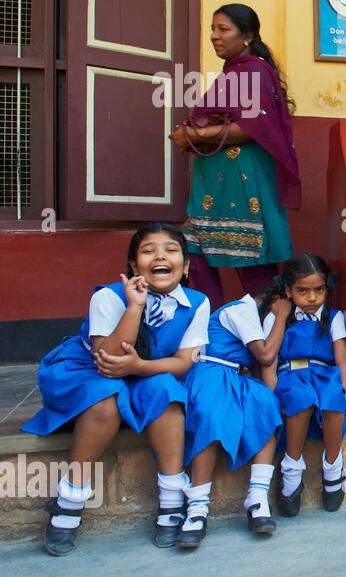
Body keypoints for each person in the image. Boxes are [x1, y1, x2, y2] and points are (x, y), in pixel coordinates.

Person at [22, 224, 209, 555]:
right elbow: (107, 360)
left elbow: (183, 362)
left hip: (142, 370)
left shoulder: (198, 302)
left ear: (187, 265)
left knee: (168, 394)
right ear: (135, 267)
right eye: (149, 251)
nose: (161, 256)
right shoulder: (108, 297)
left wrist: (139, 368)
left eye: (171, 250)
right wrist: (134, 307)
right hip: (90, 369)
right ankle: (71, 497)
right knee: (105, 400)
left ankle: (170, 499)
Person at [171, 4, 300, 309]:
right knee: (193, 249)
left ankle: (273, 334)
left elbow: (255, 127)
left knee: (252, 262)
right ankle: (212, 326)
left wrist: (194, 136)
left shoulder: (252, 70)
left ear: (247, 36)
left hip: (243, 182)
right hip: (217, 184)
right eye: (213, 29)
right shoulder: (236, 70)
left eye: (223, 29)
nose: (215, 36)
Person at [179, 284, 290, 547]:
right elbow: (264, 355)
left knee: (267, 407)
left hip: (236, 377)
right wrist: (282, 316)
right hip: (209, 374)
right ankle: (197, 507)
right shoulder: (242, 309)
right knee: (212, 418)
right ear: (271, 300)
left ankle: (258, 496)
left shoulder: (256, 317)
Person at [274, 254, 346, 517]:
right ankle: (291, 467)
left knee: (333, 396)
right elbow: (267, 359)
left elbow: (342, 361)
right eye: (302, 291)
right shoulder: (280, 316)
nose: (311, 298)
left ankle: (332, 466)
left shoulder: (333, 318)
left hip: (324, 375)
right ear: (288, 290)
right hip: (290, 376)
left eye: (319, 290)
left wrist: (342, 389)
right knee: (300, 397)